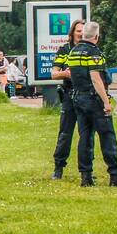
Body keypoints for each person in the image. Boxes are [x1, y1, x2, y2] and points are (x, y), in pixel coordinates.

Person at [67, 21, 117, 187]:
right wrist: (106, 102)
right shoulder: (94, 53)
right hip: (93, 99)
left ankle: (86, 176)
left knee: (85, 137)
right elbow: (96, 79)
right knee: (107, 136)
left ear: (83, 35)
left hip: (77, 98)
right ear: (96, 36)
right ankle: (115, 176)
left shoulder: (73, 52)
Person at [49, 19, 85, 179]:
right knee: (65, 133)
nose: (81, 34)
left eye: (83, 32)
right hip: (69, 94)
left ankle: (86, 170)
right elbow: (54, 73)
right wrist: (66, 73)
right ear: (72, 33)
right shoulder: (64, 50)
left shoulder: (89, 49)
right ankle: (59, 168)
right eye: (78, 31)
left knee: (87, 134)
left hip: (86, 94)